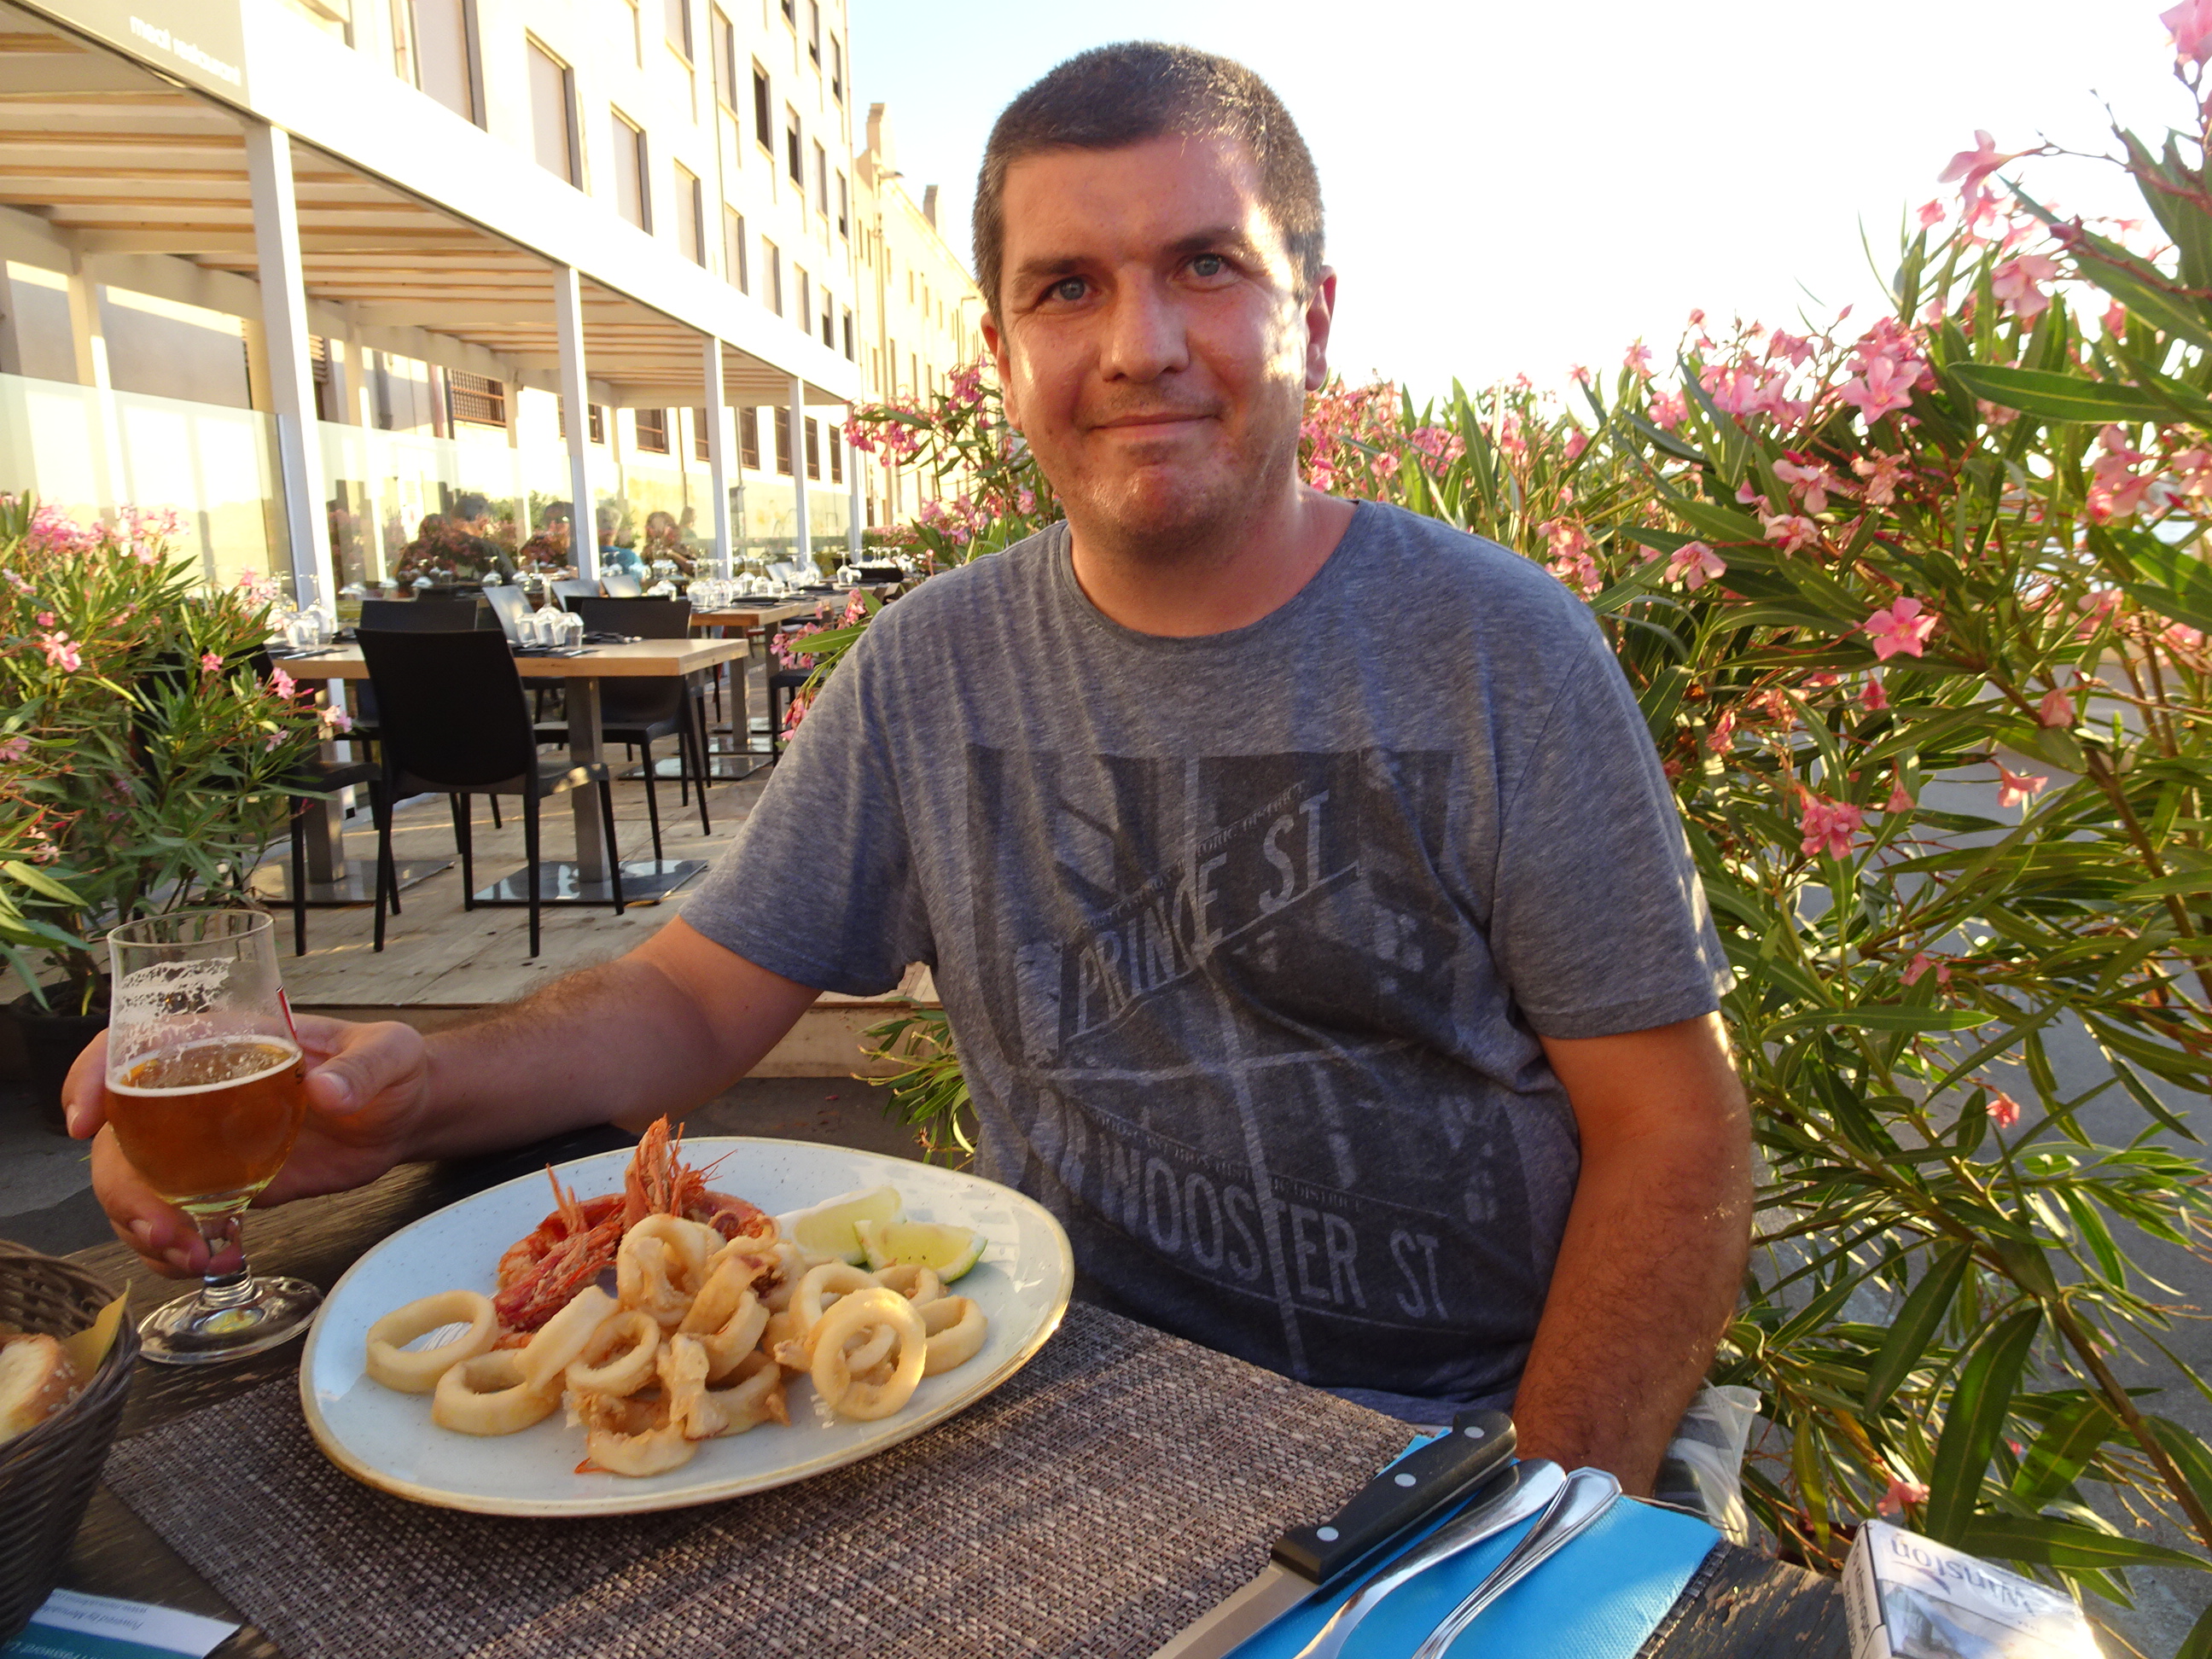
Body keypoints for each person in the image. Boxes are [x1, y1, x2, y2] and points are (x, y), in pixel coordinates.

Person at [67, 44, 1749, 1494]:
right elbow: (689, 1004)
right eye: (1067, 287)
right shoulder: (934, 667)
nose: (1139, 343)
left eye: (1205, 266)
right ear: (1003, 351)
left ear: (1312, 314)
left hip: (1450, 1446)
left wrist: (1539, 1523)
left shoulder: (1497, 651)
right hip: (1054, 1414)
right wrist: (404, 1095)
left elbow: (1674, 1135)